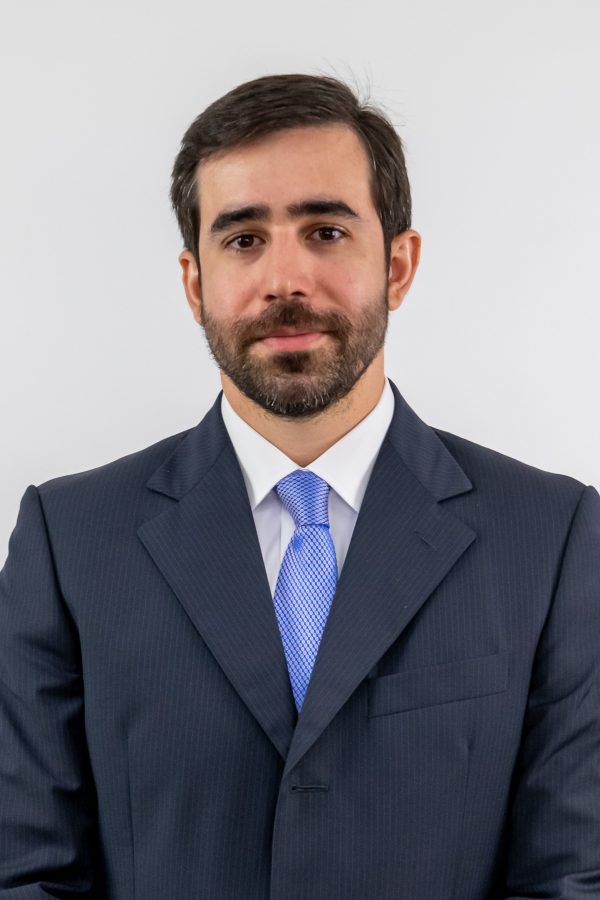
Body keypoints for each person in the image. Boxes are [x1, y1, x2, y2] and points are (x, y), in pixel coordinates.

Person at [1, 73, 599, 900]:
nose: (284, 278)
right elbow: (25, 876)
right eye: (244, 239)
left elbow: (573, 878)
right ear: (194, 283)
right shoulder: (70, 542)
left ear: (397, 265)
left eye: (325, 231)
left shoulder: (551, 536)